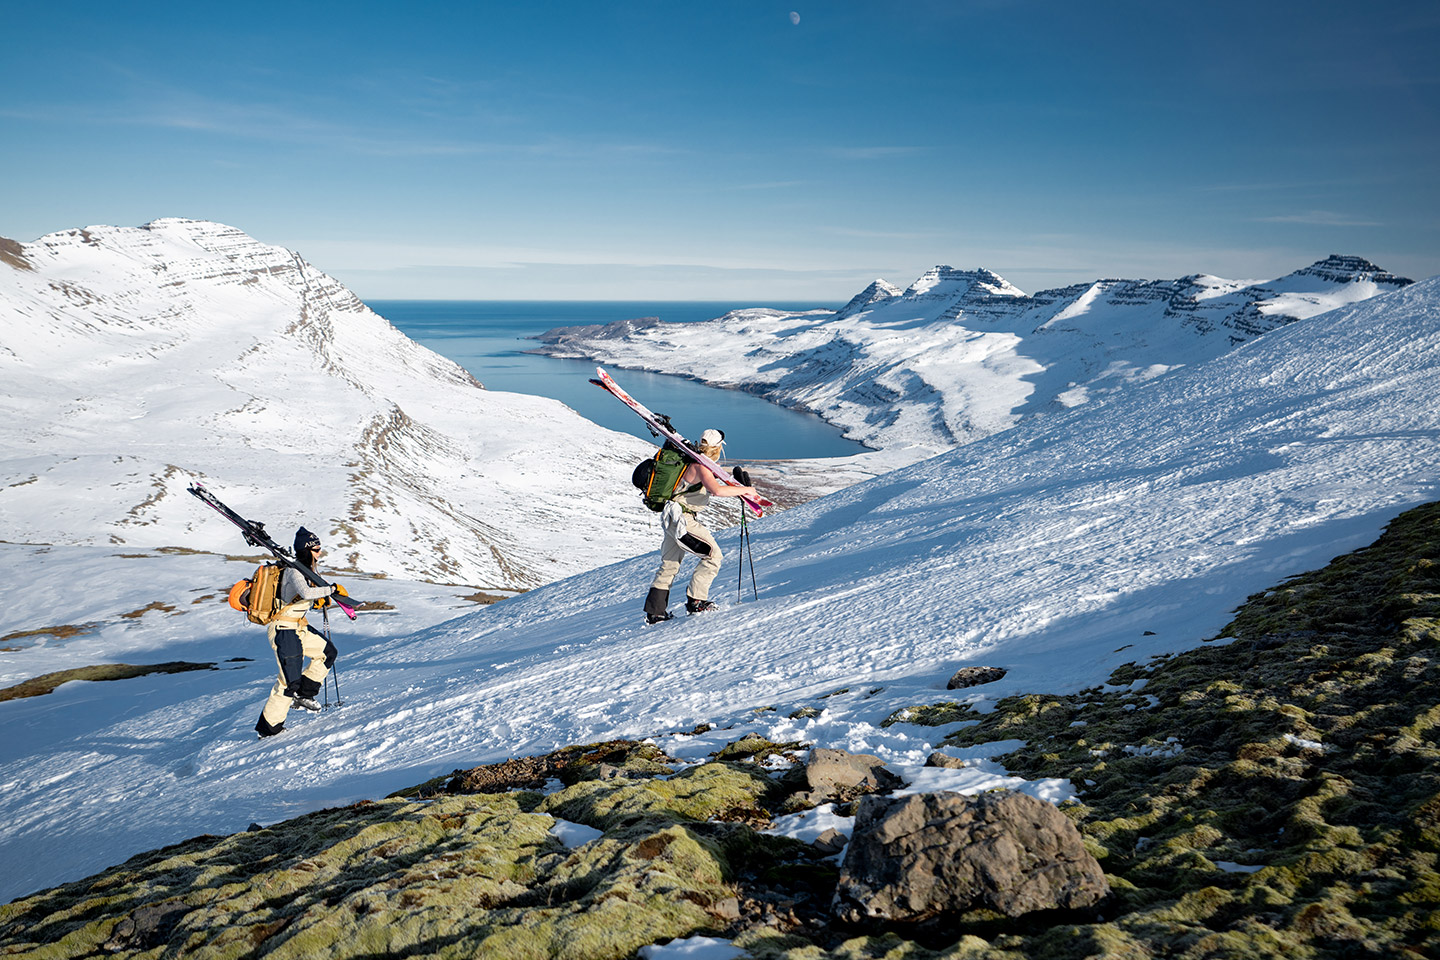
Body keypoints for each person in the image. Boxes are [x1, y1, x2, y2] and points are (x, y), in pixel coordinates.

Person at [643, 429, 759, 624]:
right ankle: (697, 601)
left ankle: (655, 612)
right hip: (683, 520)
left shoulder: (691, 460)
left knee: (670, 564)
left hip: (671, 517)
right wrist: (748, 490)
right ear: (717, 448)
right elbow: (716, 490)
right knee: (713, 555)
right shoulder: (700, 466)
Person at [255, 527, 340, 738]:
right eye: (317, 549)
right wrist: (331, 590)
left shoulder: (307, 570)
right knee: (287, 681)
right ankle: (269, 729)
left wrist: (321, 599)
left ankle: (304, 694)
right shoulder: (294, 570)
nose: (320, 553)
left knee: (327, 653)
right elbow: (305, 592)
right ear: (306, 550)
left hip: (299, 627)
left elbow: (304, 597)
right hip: (283, 629)